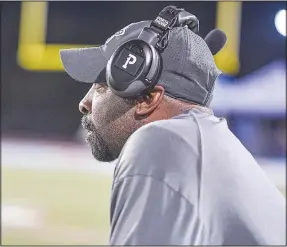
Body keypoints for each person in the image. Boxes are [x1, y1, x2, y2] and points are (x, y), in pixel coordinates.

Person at [60, 8, 286, 245]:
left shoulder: (162, 142)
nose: (84, 104)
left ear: (147, 100)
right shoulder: (208, 143)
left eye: (100, 87)